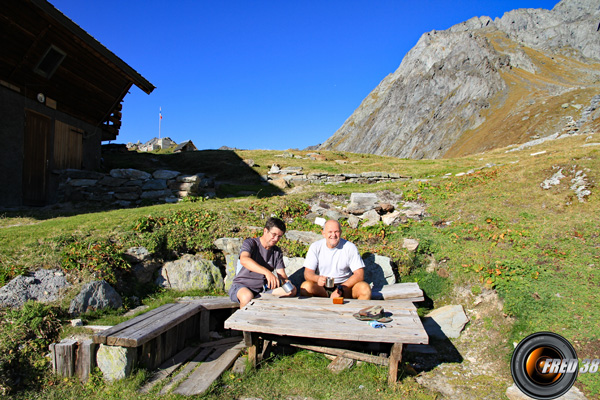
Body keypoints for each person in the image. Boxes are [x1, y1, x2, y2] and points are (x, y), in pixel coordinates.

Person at [228, 217, 297, 307]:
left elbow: (282, 275)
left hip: (263, 290)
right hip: (242, 286)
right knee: (247, 296)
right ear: (265, 231)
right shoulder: (250, 243)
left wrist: (286, 283)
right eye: (274, 234)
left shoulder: (277, 252)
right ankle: (243, 320)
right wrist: (267, 272)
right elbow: (244, 260)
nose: (276, 239)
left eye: (279, 236)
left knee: (292, 290)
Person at [300, 219, 371, 300]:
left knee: (365, 289)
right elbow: (308, 273)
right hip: (322, 287)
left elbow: (359, 274)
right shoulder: (315, 247)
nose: (333, 235)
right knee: (306, 287)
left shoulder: (350, 247)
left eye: (336, 232)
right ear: (323, 233)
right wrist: (317, 279)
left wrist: (341, 288)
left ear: (340, 233)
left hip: (345, 286)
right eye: (330, 232)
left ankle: (361, 312)